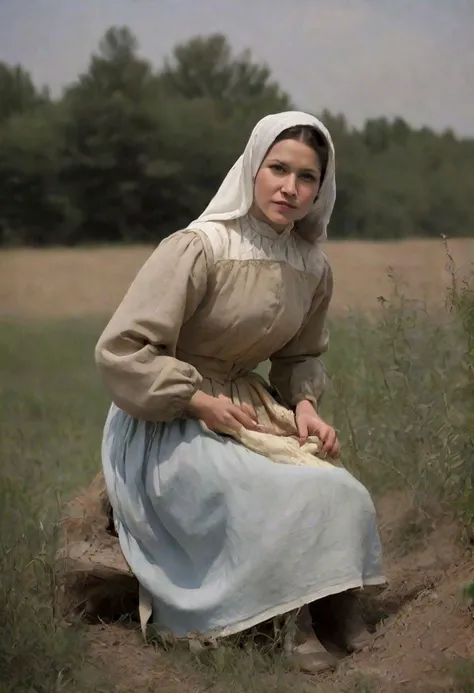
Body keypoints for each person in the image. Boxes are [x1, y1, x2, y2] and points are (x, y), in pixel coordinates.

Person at [94, 110, 385, 674]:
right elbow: (122, 349)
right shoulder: (199, 247)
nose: (290, 187)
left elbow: (299, 356)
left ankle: (339, 608)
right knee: (269, 492)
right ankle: (291, 620)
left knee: (340, 487)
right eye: (278, 169)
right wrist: (196, 399)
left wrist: (304, 407)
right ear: (253, 166)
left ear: (321, 188)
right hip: (168, 413)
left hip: (247, 406)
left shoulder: (311, 266)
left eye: (307, 177)